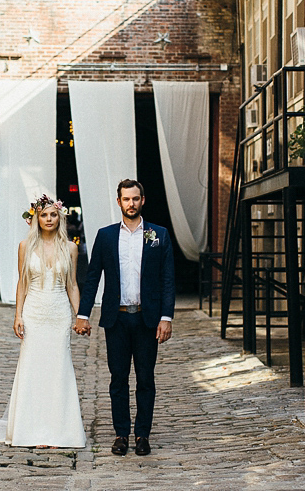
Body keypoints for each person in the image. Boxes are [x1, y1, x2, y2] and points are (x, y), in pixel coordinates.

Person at [73, 179, 175, 457]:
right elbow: (92, 277)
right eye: (126, 199)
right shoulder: (106, 236)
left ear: (143, 200)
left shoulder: (159, 235)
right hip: (116, 320)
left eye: (135, 199)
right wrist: (83, 314)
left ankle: (143, 434)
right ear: (118, 202)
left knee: (145, 379)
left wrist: (166, 317)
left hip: (147, 319)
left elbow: (168, 279)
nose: (131, 203)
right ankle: (121, 434)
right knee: (118, 379)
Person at [0, 194, 86, 449]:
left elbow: (72, 284)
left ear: (60, 217)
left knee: (58, 371)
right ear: (36, 218)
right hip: (34, 312)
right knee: (33, 369)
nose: (49, 219)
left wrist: (80, 316)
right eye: (43, 215)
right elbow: (22, 281)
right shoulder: (25, 246)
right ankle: (33, 431)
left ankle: (59, 433)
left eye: (53, 214)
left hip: (58, 313)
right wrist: (18, 314)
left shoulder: (71, 248)